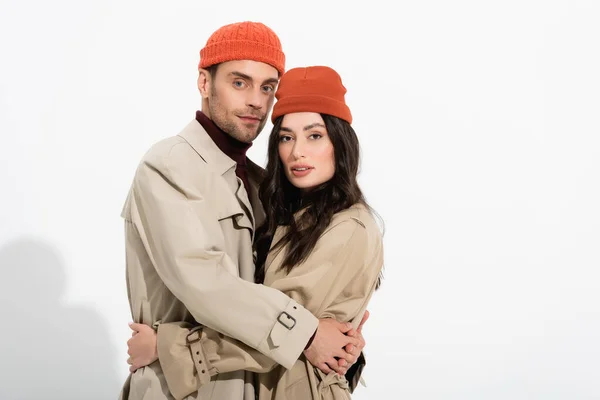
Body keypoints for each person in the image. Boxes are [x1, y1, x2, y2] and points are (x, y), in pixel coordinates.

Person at [119, 22, 366, 400]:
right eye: (240, 82)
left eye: (268, 87)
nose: (256, 101)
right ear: (204, 83)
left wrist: (343, 343)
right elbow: (207, 285)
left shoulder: (261, 182)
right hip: (182, 389)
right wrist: (309, 333)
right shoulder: (168, 167)